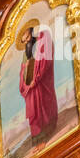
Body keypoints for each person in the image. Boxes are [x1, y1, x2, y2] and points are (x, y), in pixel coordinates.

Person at [18, 19, 58, 148]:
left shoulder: (42, 40)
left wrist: (37, 75)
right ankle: (38, 139)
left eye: (28, 37)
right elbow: (23, 73)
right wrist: (27, 75)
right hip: (32, 87)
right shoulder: (26, 53)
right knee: (33, 109)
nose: (28, 41)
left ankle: (45, 135)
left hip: (42, 83)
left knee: (44, 105)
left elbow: (45, 59)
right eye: (25, 41)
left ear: (31, 31)